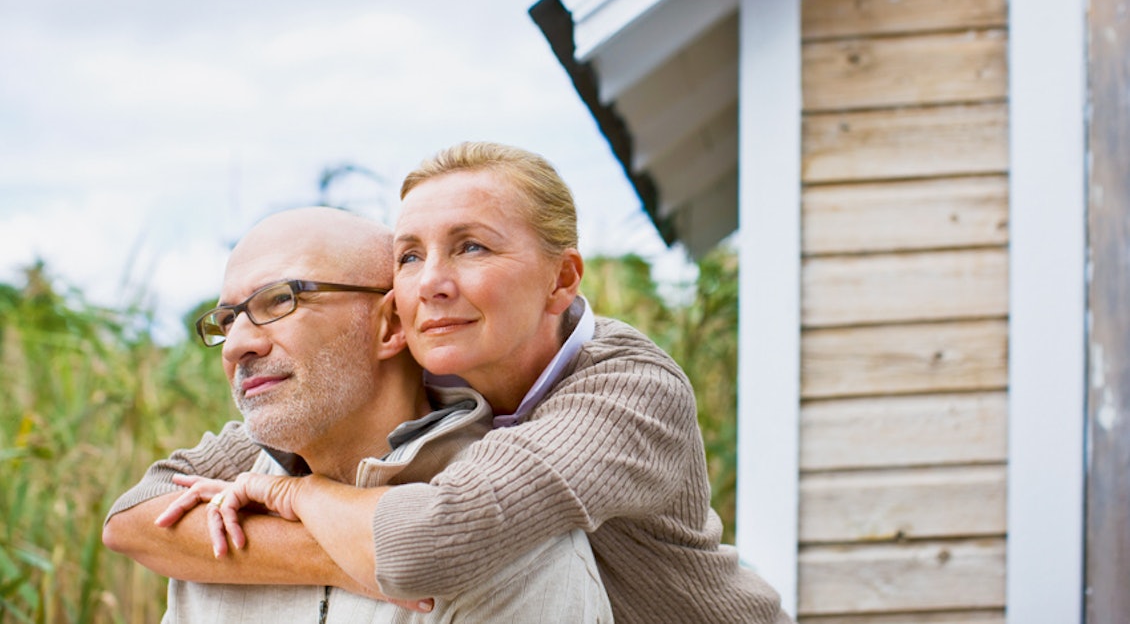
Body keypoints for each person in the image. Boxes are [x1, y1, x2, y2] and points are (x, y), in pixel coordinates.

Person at [192, 143, 791, 624]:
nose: (431, 283)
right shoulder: (431, 360)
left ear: (562, 280)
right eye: (409, 256)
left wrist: (293, 496)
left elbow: (422, 551)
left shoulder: (630, 389)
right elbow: (143, 506)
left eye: (471, 246)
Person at [102, 206, 612, 623]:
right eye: (227, 319)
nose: (237, 344)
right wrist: (337, 558)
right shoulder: (215, 519)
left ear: (391, 324)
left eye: (281, 299)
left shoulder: (506, 532)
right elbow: (127, 519)